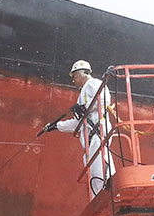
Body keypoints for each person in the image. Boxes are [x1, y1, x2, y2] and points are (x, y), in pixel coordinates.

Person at [43, 60, 115, 198]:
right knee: (95, 173)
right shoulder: (83, 92)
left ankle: (106, 198)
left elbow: (104, 100)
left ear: (83, 73)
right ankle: (99, 199)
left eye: (75, 76)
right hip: (91, 139)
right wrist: (57, 126)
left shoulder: (92, 84)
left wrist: (84, 108)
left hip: (97, 135)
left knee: (100, 172)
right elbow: (78, 123)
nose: (73, 80)